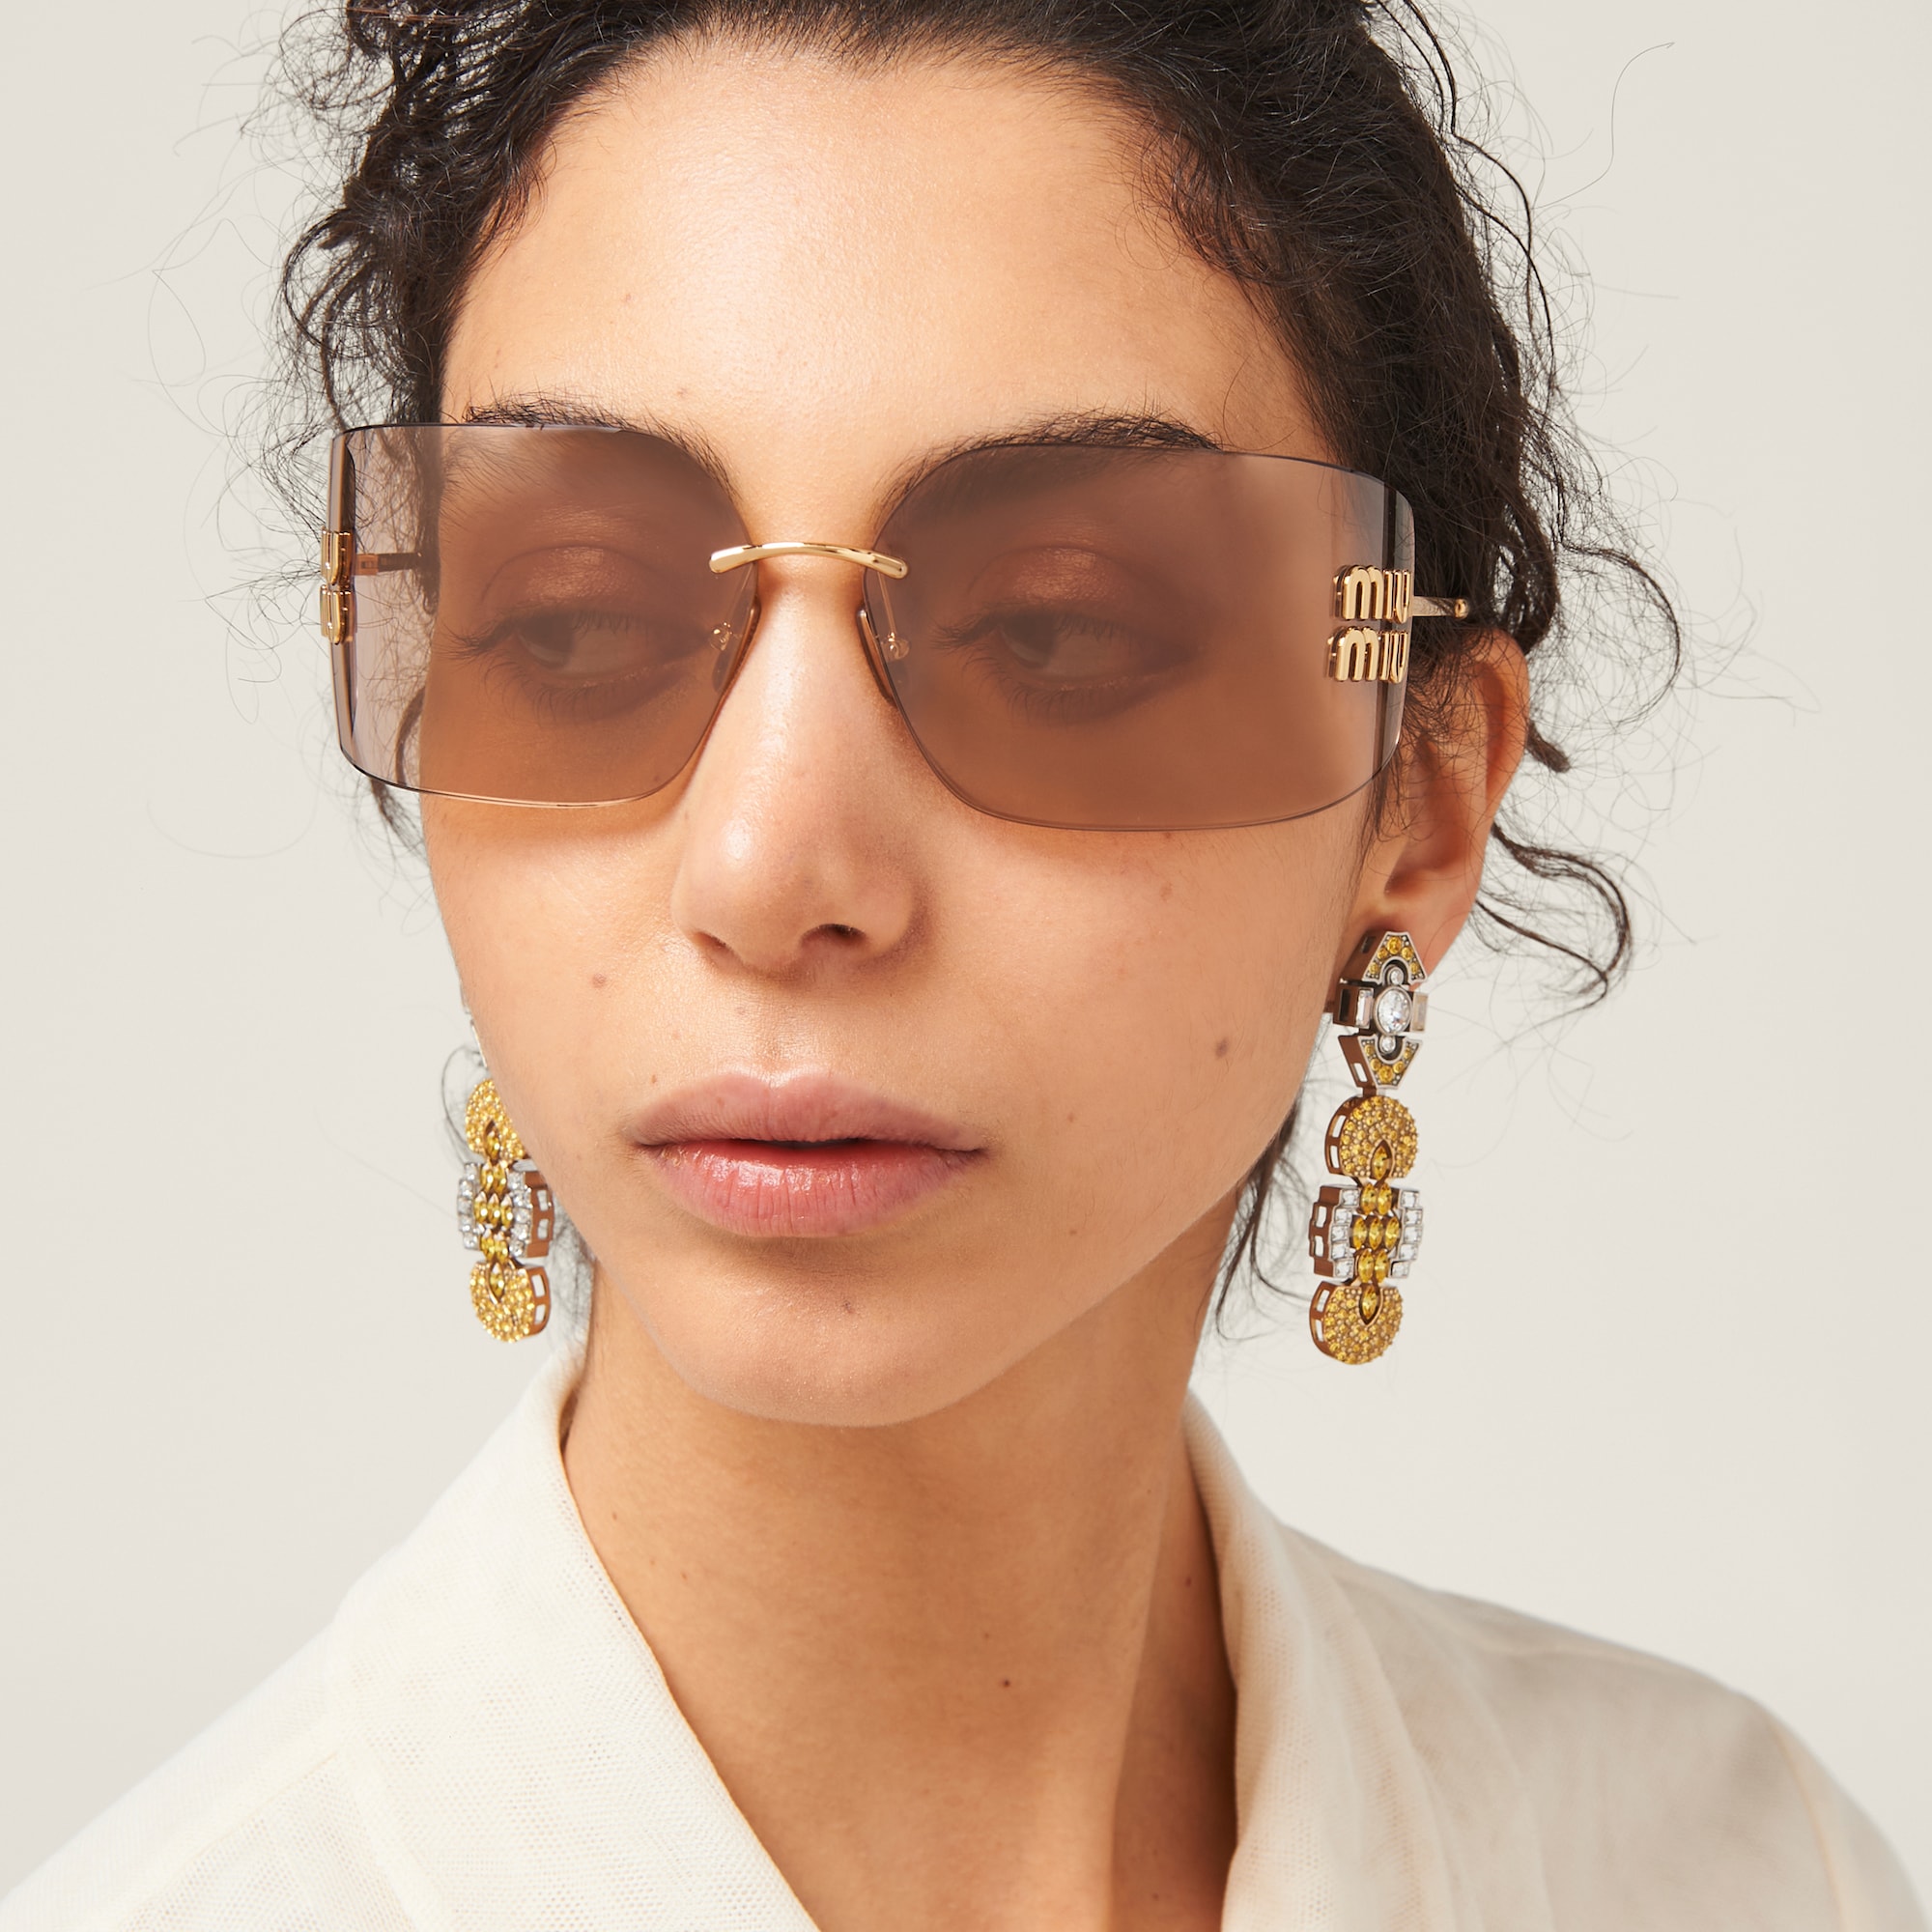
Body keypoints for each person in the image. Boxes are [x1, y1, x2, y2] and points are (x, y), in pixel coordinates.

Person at [4, 3, 1921, 1927]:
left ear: (1417, 806)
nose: (771, 871)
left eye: (1058, 633)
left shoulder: (1749, 1873)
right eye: (575, 625)